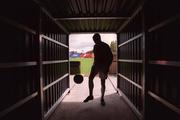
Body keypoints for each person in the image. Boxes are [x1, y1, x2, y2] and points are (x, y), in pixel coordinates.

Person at [83, 33, 113, 106]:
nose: (94, 41)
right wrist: (94, 65)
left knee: (102, 83)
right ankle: (91, 95)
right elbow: (96, 57)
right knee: (90, 78)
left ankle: (102, 98)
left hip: (103, 67)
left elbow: (111, 57)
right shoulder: (95, 46)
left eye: (95, 39)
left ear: (98, 38)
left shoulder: (105, 46)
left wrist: (107, 67)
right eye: (93, 40)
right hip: (96, 66)